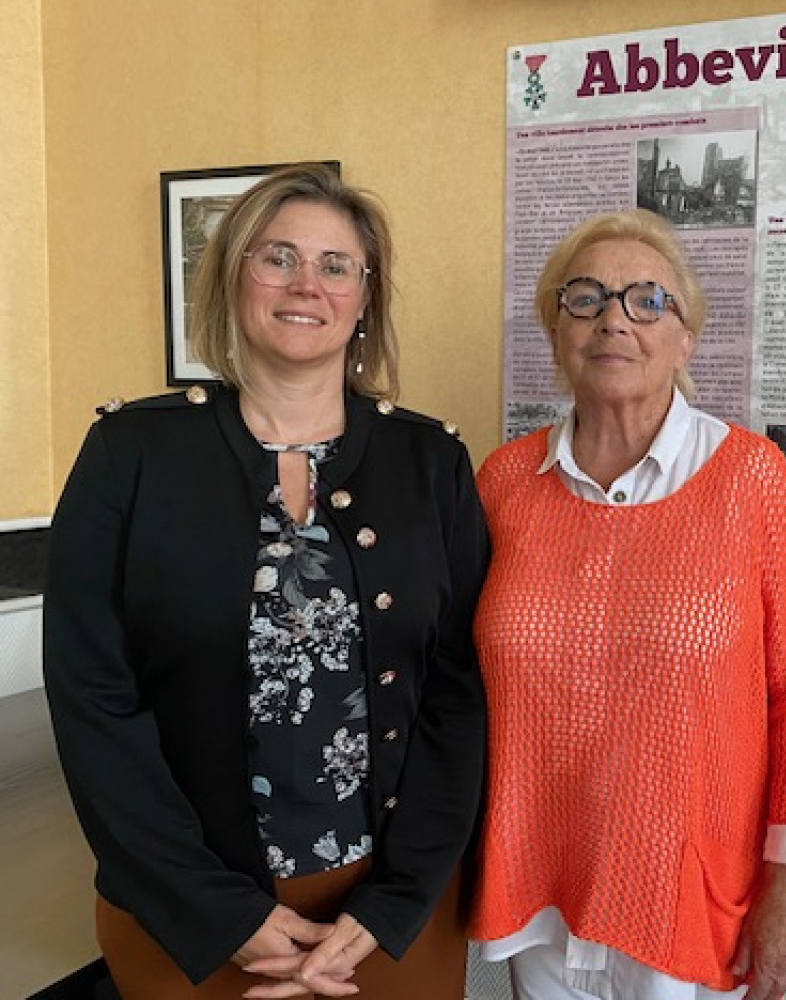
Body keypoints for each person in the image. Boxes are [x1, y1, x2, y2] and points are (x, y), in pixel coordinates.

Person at [43, 164, 488, 999]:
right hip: (184, 916)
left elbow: (458, 696)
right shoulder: (129, 455)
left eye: (335, 265)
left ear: (365, 297)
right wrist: (217, 913)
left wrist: (394, 906)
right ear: (233, 277)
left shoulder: (431, 465)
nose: (305, 285)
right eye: (276, 257)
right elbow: (92, 698)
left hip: (387, 916)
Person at [471, 209, 786, 1000]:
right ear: (557, 333)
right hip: (541, 886)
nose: (614, 319)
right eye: (584, 299)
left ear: (684, 338)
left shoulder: (751, 480)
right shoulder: (504, 484)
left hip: (694, 895)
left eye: (647, 300)